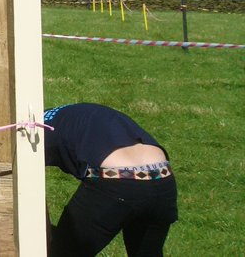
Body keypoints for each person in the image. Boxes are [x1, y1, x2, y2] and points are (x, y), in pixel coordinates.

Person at [43, 103, 178, 256]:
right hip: (162, 176)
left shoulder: (33, 133)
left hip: (117, 179)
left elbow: (27, 192)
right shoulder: (68, 114)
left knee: (63, 252)